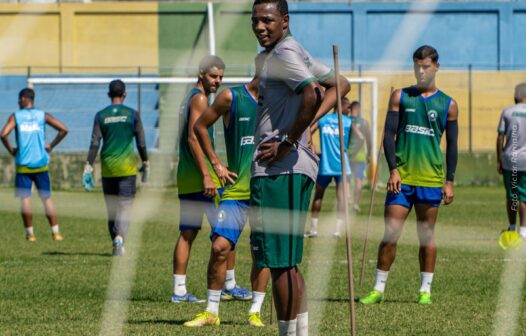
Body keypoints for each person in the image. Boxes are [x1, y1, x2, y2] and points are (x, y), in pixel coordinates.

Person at [251, 1, 350, 334]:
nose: (260, 26)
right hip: (299, 167)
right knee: (289, 263)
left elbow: (310, 92)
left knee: (278, 264)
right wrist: (308, 126)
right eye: (255, 20)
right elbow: (341, 84)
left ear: (284, 21)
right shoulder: (295, 49)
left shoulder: (282, 55)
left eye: (267, 20)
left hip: (279, 169)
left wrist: (288, 140)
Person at [359, 45, 458, 306]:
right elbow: (388, 136)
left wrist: (449, 181)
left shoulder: (448, 104)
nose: (422, 71)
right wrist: (392, 169)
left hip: (430, 180)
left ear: (437, 66)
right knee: (391, 233)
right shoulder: (399, 96)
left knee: (427, 236)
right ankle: (378, 289)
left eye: (426, 66)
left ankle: (425, 290)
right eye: (417, 66)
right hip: (401, 179)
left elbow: (453, 147)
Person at [184, 52, 271, 327]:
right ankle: (211, 312)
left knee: (262, 252)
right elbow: (199, 127)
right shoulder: (231, 97)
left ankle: (255, 312)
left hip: (267, 191)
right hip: (236, 192)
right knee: (220, 247)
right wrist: (217, 164)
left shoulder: (280, 103)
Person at [171, 55, 249, 303]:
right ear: (201, 73)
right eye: (213, 76)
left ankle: (179, 291)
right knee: (227, 231)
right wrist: (208, 173)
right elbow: (194, 137)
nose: (218, 81)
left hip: (186, 175)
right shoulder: (200, 99)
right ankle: (229, 285)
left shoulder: (187, 99)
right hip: (202, 179)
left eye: (221, 77)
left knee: (188, 232)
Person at [82, 79, 149, 256]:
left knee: (112, 208)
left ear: (109, 95)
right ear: (124, 94)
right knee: (125, 206)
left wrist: (88, 165)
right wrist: (146, 162)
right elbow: (141, 143)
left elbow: (94, 143)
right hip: (127, 168)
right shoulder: (132, 114)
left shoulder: (100, 115)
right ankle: (119, 238)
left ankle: (116, 241)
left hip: (107, 168)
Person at [0, 88, 68, 242]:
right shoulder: (42, 115)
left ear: (24, 98)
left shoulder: (16, 116)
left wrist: (11, 150)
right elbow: (64, 129)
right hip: (41, 163)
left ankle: (30, 235)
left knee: (25, 199)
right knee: (47, 198)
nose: (18, 101)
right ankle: (56, 233)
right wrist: (51, 145)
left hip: (23, 164)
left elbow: (3, 134)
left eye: (19, 98)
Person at [304, 97, 362, 238]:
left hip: (326, 165)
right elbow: (361, 138)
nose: (349, 109)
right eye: (347, 106)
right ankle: (337, 230)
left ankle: (314, 229)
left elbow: (308, 131)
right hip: (342, 166)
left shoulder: (324, 120)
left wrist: (311, 144)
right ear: (339, 106)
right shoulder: (348, 122)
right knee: (341, 198)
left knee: (318, 196)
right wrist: (350, 153)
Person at [497, 83, 526, 240]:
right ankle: (523, 230)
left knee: (512, 194)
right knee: (523, 195)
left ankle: (512, 227)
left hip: (510, 159)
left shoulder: (507, 112)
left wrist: (498, 159)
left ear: (516, 96)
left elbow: (500, 136)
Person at [347, 100, 372, 213]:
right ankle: (356, 204)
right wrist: (370, 154)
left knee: (346, 180)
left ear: (350, 109)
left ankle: (347, 199)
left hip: (348, 155)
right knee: (358, 180)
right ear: (359, 109)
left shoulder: (346, 121)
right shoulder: (365, 122)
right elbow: (369, 140)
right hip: (360, 156)